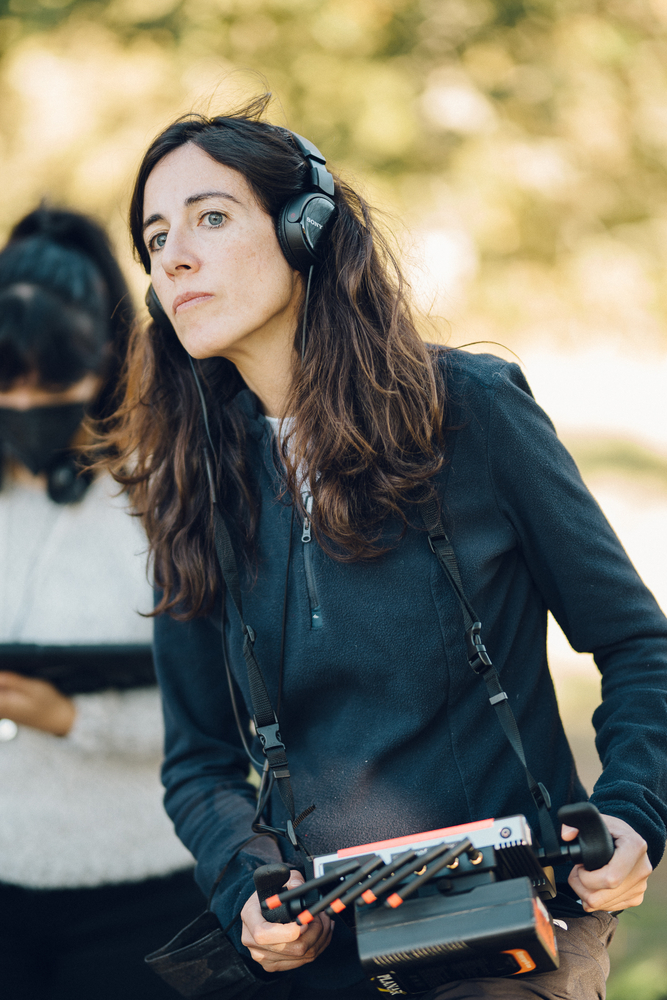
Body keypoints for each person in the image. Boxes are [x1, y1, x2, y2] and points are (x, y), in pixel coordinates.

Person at [103, 94, 667, 1000]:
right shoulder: (190, 483)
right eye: (156, 237)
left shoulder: (474, 410)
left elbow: (639, 645)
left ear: (306, 228)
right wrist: (249, 888)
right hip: (326, 952)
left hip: (508, 929)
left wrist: (633, 810)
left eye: (210, 218)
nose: (174, 256)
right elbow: (199, 762)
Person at [0, 206, 204, 1000]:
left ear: (107, 359)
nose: (25, 402)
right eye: (6, 380)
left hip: (148, 895)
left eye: (54, 381)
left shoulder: (168, 493)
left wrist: (71, 718)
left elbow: (226, 707)